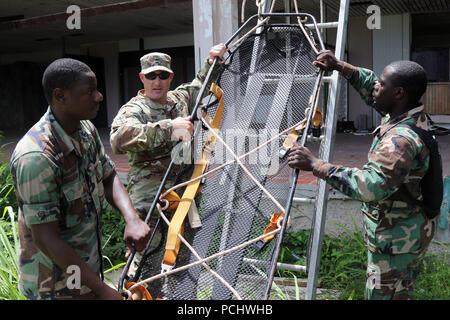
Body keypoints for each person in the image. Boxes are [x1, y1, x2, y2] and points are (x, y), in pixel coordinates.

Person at [288, 50, 436, 300]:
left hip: (396, 242)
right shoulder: (405, 115)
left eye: (382, 83)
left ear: (398, 93)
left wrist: (315, 164)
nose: (375, 86)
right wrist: (341, 66)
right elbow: (370, 88)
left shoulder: (400, 141)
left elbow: (370, 186)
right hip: (404, 232)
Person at [10, 58, 151, 300]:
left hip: (86, 274)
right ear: (60, 96)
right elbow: (46, 238)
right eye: (89, 92)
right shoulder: (36, 156)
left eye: (97, 89)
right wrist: (102, 290)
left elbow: (108, 177)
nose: (99, 97)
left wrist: (132, 219)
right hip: (54, 287)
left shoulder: (86, 130)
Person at [109, 44, 227, 290]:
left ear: (170, 77)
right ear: (142, 78)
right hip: (150, 203)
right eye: (151, 76)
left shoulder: (179, 98)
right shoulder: (135, 109)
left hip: (184, 197)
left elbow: (202, 83)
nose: (157, 81)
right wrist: (168, 128)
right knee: (145, 266)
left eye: (163, 75)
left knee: (182, 263)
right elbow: (118, 139)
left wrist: (213, 59)